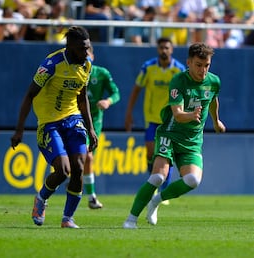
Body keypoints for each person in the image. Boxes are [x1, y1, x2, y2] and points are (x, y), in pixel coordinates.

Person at [123, 42, 226, 229]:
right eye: (198, 65)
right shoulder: (178, 80)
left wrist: (216, 121)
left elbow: (213, 101)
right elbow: (177, 114)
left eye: (207, 65)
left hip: (192, 141)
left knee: (193, 180)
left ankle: (155, 202)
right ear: (188, 62)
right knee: (157, 178)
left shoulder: (214, 81)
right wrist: (191, 115)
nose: (203, 70)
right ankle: (131, 219)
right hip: (169, 134)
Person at [10, 26, 98, 228]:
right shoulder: (51, 64)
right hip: (49, 122)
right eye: (82, 49)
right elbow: (29, 95)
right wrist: (19, 130)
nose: (86, 53)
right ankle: (41, 198)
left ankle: (68, 219)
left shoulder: (87, 65)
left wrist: (90, 128)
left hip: (72, 118)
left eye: (88, 48)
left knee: (78, 167)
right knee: (63, 170)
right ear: (70, 47)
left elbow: (82, 97)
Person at [124, 37, 186, 204]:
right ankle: (154, 184)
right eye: (161, 48)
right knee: (151, 152)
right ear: (157, 49)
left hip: (171, 120)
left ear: (171, 50)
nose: (164, 50)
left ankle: (163, 191)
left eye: (167, 48)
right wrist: (129, 113)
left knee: (167, 154)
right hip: (151, 118)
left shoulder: (179, 70)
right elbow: (136, 90)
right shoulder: (148, 67)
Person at [84, 46, 121, 209]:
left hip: (94, 121)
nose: (85, 57)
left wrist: (108, 101)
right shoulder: (72, 73)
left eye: (88, 54)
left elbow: (116, 93)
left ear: (93, 56)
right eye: (82, 54)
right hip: (74, 117)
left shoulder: (102, 73)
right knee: (80, 158)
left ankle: (91, 197)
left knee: (87, 156)